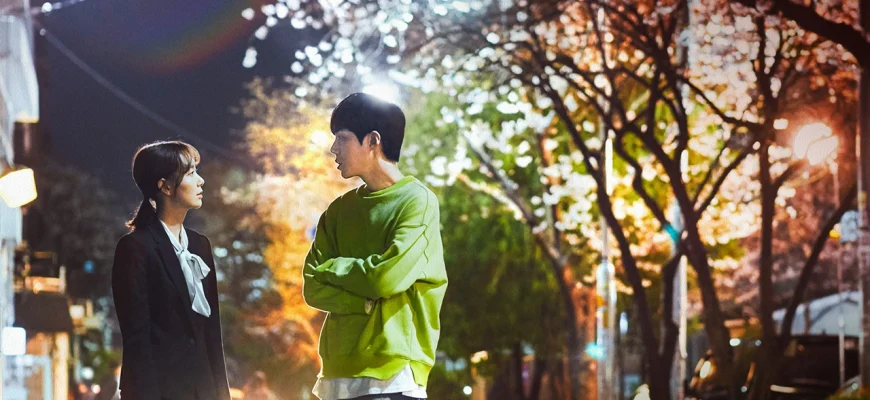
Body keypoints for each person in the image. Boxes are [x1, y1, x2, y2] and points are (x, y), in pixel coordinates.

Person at [302, 93, 448, 400]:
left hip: (393, 376)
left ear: (373, 141)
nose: (333, 149)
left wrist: (334, 267)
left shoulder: (417, 201)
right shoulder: (337, 211)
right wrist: (365, 302)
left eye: (342, 138)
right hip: (335, 377)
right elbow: (312, 287)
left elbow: (385, 279)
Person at [112, 141, 231, 400]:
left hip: (204, 391)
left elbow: (212, 334)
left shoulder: (200, 245)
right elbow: (137, 339)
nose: (200, 181)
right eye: (190, 173)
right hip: (159, 391)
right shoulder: (135, 247)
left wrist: (222, 395)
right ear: (165, 186)